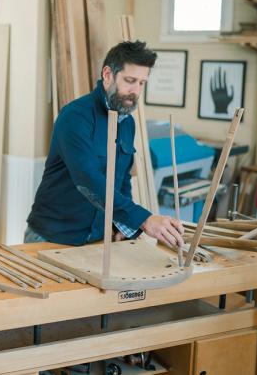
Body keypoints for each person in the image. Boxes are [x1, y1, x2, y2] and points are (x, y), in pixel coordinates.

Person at [25, 40, 184, 249]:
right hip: (52, 237)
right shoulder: (75, 116)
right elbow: (88, 180)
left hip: (96, 239)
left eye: (142, 83)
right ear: (107, 75)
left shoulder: (127, 123)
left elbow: (121, 181)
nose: (135, 91)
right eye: (130, 80)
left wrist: (123, 225)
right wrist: (143, 219)